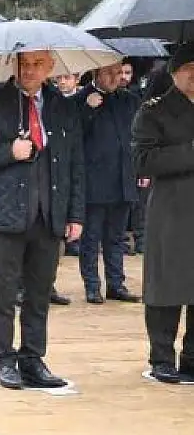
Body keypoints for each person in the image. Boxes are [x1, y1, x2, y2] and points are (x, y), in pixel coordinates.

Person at [0, 51, 85, 390]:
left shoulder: (62, 106)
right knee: (1, 292)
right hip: (4, 215)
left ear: (50, 68)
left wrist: (75, 214)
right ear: (14, 66)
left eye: (37, 65)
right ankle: (3, 358)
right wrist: (7, 151)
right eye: (24, 64)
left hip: (48, 215)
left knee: (39, 292)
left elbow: (75, 164)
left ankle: (32, 357)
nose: (29, 71)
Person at [131, 43, 194, 383]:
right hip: (172, 209)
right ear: (175, 72)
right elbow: (144, 161)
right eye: (190, 69)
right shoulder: (154, 111)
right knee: (166, 285)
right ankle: (162, 357)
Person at [73, 62, 141, 304]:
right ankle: (92, 285)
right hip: (94, 181)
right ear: (96, 74)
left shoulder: (129, 100)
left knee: (116, 237)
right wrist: (89, 110)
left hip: (123, 178)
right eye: (110, 73)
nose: (116, 78)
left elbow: (136, 135)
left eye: (118, 73)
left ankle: (116, 283)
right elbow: (73, 136)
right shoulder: (81, 99)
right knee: (91, 237)